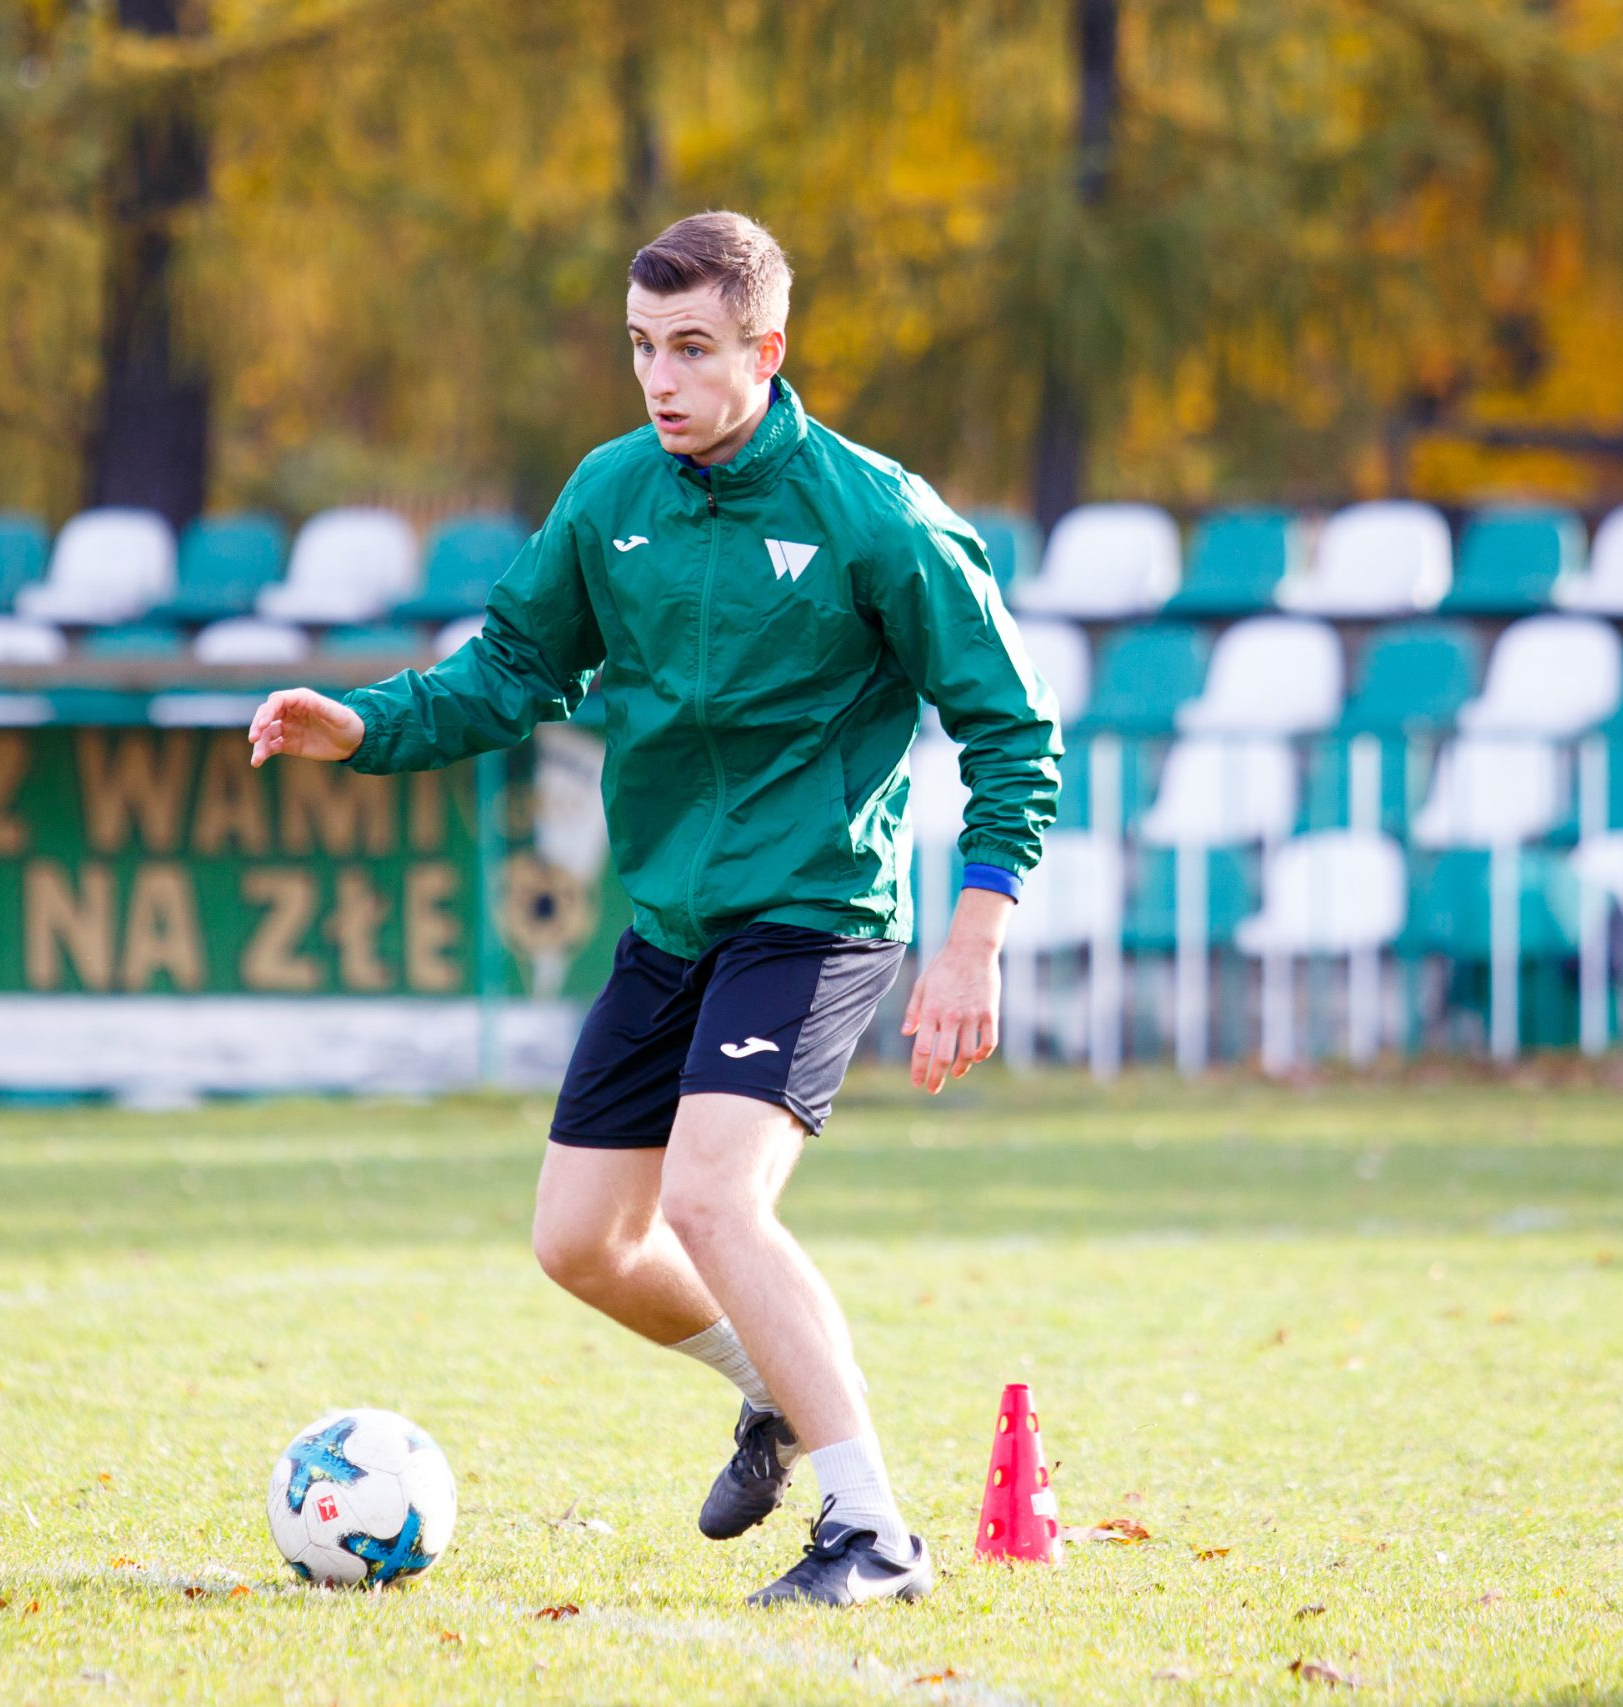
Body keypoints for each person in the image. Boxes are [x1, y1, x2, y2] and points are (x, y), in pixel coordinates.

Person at [248, 210, 1059, 1606]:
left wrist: (973, 939)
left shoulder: (874, 515)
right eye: (641, 347)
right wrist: (366, 726)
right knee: (580, 1242)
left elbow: (1014, 731)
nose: (660, 379)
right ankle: (778, 1393)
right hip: (671, 922)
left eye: (692, 348)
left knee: (709, 1201)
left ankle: (873, 1534)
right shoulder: (611, 491)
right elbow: (513, 667)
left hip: (815, 913)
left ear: (767, 350)